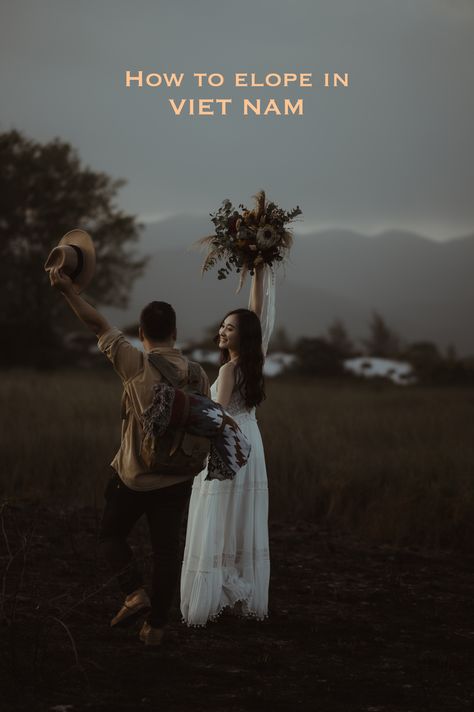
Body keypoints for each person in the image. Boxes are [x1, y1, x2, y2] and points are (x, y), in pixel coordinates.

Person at [49, 266, 209, 646]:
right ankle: (155, 628)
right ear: (174, 333)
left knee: (110, 535)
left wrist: (68, 291)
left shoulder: (134, 363)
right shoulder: (199, 374)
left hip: (135, 476)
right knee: (167, 552)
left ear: (141, 334)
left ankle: (134, 592)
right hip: (179, 478)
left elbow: (96, 323)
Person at [180, 263, 274, 625]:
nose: (222, 330)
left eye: (229, 328)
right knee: (241, 513)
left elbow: (216, 415)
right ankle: (239, 592)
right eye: (222, 325)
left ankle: (215, 596)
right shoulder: (254, 362)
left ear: (241, 336)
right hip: (253, 441)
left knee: (218, 514)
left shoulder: (227, 370)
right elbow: (256, 314)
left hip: (231, 442)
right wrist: (259, 273)